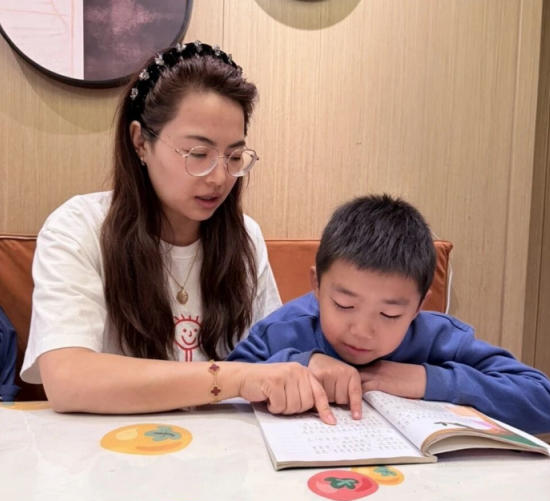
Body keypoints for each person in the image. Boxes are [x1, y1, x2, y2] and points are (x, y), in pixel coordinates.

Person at [20, 41, 335, 424]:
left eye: (234, 157)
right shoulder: (79, 228)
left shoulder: (245, 239)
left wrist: (311, 363)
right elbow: (68, 379)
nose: (220, 178)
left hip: (225, 450)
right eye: (198, 154)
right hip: (114, 450)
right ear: (140, 142)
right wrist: (234, 378)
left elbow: (271, 354)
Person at [228, 194, 550, 434]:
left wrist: (428, 380)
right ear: (317, 284)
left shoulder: (440, 338)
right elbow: (228, 382)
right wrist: (300, 363)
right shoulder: (286, 328)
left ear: (419, 306)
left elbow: (541, 399)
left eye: (390, 314)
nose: (362, 330)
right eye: (344, 305)